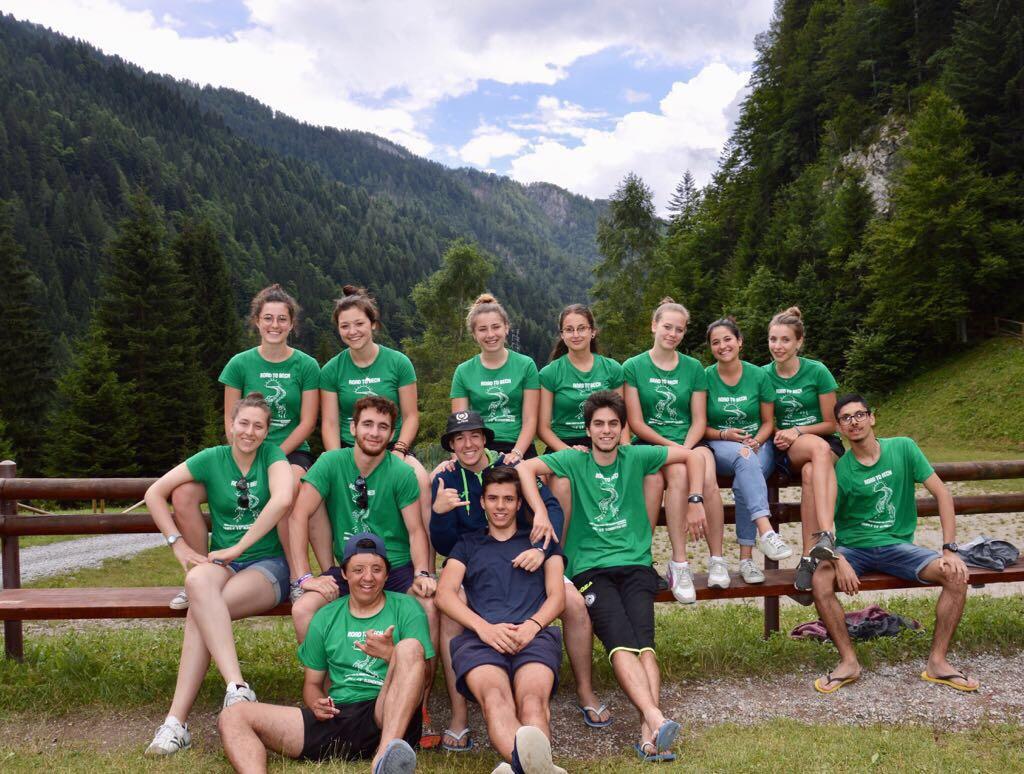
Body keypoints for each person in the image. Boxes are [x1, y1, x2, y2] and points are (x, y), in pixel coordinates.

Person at [517, 390, 706, 762]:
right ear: (587, 429)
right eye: (599, 424)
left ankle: (648, 732)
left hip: (635, 565)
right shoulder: (574, 460)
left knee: (644, 644)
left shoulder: (636, 455)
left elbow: (694, 456)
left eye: (613, 424)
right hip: (591, 570)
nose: (606, 430)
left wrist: (695, 500)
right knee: (621, 642)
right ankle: (655, 718)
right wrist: (540, 511)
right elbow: (525, 469)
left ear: (622, 429)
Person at [430, 410, 611, 751]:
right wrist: (439, 514)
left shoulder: (512, 466)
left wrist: (542, 548)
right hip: (476, 567)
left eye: (474, 436)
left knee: (572, 603)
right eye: (459, 438)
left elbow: (551, 510)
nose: (468, 444)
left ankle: (585, 691)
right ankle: (461, 715)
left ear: (485, 439)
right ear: (451, 445)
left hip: (531, 559)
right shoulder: (447, 477)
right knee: (452, 614)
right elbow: (443, 549)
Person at [144, 392, 294, 756]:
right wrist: (178, 545)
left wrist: (238, 547)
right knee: (197, 582)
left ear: (267, 431)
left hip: (268, 565)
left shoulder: (273, 456)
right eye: (243, 423)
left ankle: (176, 723)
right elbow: (154, 493)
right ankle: (236, 687)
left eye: (258, 426)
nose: (249, 432)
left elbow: (283, 499)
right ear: (231, 425)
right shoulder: (212, 458)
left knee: (201, 609)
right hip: (223, 565)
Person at [166, 284, 328, 610]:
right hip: (244, 450)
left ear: (292, 324)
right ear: (257, 321)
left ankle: (297, 576)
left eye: (282, 319)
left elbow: (307, 422)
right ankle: (200, 571)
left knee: (291, 483)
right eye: (268, 318)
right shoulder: (239, 364)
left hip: (289, 452)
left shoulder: (307, 365)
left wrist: (272, 457)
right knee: (182, 494)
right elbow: (231, 421)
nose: (274, 325)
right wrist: (250, 456)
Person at [218, 533, 431, 773]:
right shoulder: (326, 616)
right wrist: (316, 704)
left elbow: (424, 676)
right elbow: (312, 684)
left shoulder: (407, 608)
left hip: (387, 713)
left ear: (387, 574)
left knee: (409, 647)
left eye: (377, 569)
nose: (368, 577)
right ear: (344, 574)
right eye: (358, 570)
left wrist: (390, 653)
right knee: (233, 716)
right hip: (339, 715)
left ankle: (384, 758)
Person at [809, 395, 979, 694]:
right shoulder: (841, 471)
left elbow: (942, 494)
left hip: (897, 547)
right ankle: (848, 662)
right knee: (820, 579)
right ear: (840, 428)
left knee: (955, 575)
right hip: (854, 548)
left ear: (871, 417)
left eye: (859, 414)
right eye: (846, 418)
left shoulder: (903, 448)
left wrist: (949, 549)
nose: (854, 422)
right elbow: (825, 526)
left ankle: (938, 662)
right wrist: (837, 559)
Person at [437, 466, 568, 774]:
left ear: (519, 503)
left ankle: (522, 768)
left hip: (533, 635)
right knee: (495, 700)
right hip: (482, 639)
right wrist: (483, 629)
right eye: (493, 498)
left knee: (533, 701)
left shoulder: (541, 542)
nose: (500, 506)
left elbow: (558, 597)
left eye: (508, 499)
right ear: (482, 502)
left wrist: (533, 626)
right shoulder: (467, 544)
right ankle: (538, 769)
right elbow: (444, 594)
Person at [623, 298, 727, 603]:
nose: (672, 333)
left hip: (689, 442)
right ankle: (679, 563)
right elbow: (636, 423)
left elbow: (699, 420)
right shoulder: (633, 367)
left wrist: (685, 448)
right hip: (652, 444)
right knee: (679, 472)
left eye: (679, 329)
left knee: (706, 475)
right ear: (654, 326)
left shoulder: (693, 368)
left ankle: (717, 558)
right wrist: (674, 450)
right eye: (667, 327)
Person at [319, 285, 433, 552]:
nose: (352, 331)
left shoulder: (399, 363)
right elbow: (330, 423)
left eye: (359, 323)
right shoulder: (332, 369)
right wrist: (336, 461)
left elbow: (411, 416)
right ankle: (330, 569)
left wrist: (400, 450)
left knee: (421, 482)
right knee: (314, 493)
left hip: (393, 446)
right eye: (345, 326)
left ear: (373, 324)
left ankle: (425, 568)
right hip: (350, 449)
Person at [703, 318, 791, 584]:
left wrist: (757, 441)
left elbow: (768, 422)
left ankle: (746, 561)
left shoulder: (758, 375)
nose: (722, 346)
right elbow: (699, 425)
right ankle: (765, 533)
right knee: (744, 460)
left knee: (745, 477)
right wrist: (724, 434)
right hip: (720, 444)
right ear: (710, 348)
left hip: (757, 444)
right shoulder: (704, 377)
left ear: (739, 341)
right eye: (716, 342)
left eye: (727, 339)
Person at [763, 306, 843, 591]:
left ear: (799, 342)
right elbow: (765, 421)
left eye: (785, 340)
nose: (778, 346)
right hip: (787, 447)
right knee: (815, 453)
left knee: (812, 468)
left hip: (822, 440)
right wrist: (780, 434)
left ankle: (808, 557)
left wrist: (798, 430)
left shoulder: (817, 371)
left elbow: (831, 423)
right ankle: (828, 534)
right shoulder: (763, 375)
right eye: (773, 339)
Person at [451, 293, 540, 463]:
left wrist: (516, 454)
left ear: (506, 328)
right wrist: (458, 459)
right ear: (474, 334)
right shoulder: (463, 371)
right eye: (482, 329)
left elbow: (530, 420)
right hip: (479, 450)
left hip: (520, 447)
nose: (490, 334)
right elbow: (459, 425)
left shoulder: (526, 365)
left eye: (496, 327)